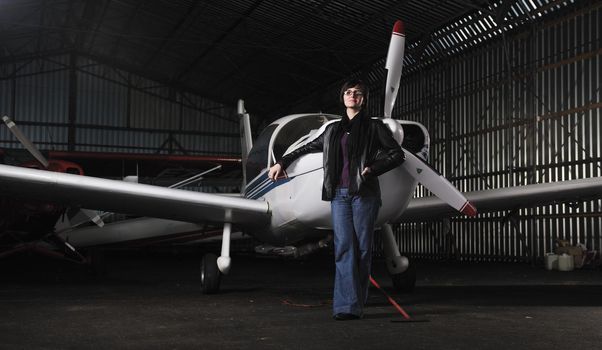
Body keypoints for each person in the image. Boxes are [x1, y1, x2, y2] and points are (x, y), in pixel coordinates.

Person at [268, 79, 405, 320]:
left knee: (362, 251)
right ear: (343, 98)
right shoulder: (332, 131)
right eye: (349, 93)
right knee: (344, 249)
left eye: (358, 93)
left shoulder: (375, 128)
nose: (353, 96)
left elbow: (397, 155)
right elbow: (305, 148)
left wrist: (372, 169)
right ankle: (345, 307)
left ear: (363, 100)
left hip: (365, 195)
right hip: (339, 196)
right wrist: (282, 162)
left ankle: (357, 299)